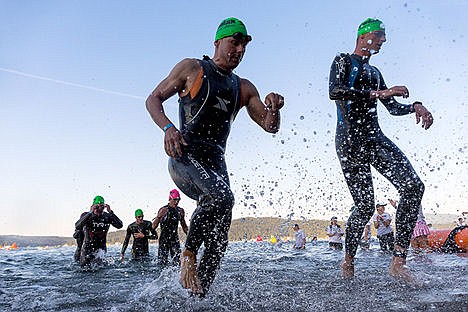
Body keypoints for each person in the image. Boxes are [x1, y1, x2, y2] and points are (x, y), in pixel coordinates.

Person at [146, 17, 284, 295]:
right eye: (234, 42)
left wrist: (275, 107)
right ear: (217, 42)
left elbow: (270, 126)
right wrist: (169, 128)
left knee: (220, 237)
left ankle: (199, 296)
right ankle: (188, 256)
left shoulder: (243, 87)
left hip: (216, 164)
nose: (239, 50)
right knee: (222, 197)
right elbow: (153, 99)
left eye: (244, 46)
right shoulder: (193, 68)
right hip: (184, 155)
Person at [329, 18, 433, 281]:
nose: (383, 41)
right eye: (379, 35)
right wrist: (380, 94)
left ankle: (398, 262)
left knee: (413, 187)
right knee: (364, 206)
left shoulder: (375, 73)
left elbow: (393, 107)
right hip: (350, 141)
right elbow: (336, 91)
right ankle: (349, 260)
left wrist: (415, 107)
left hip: (375, 138)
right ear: (363, 37)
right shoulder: (343, 61)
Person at [74, 195, 123, 267]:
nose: (99, 210)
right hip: (87, 248)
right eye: (97, 207)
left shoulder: (107, 217)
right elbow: (77, 226)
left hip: (101, 249)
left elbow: (119, 225)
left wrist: (111, 213)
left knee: (100, 270)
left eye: (102, 207)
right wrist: (90, 212)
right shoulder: (86, 216)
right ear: (92, 207)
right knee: (84, 270)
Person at [152, 189, 189, 266]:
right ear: (170, 199)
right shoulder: (163, 210)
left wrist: (190, 236)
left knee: (177, 263)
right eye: (175, 199)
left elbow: (184, 226)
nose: (176, 202)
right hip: (164, 240)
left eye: (178, 200)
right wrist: (158, 217)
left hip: (174, 240)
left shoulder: (180, 211)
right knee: (162, 263)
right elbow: (153, 227)